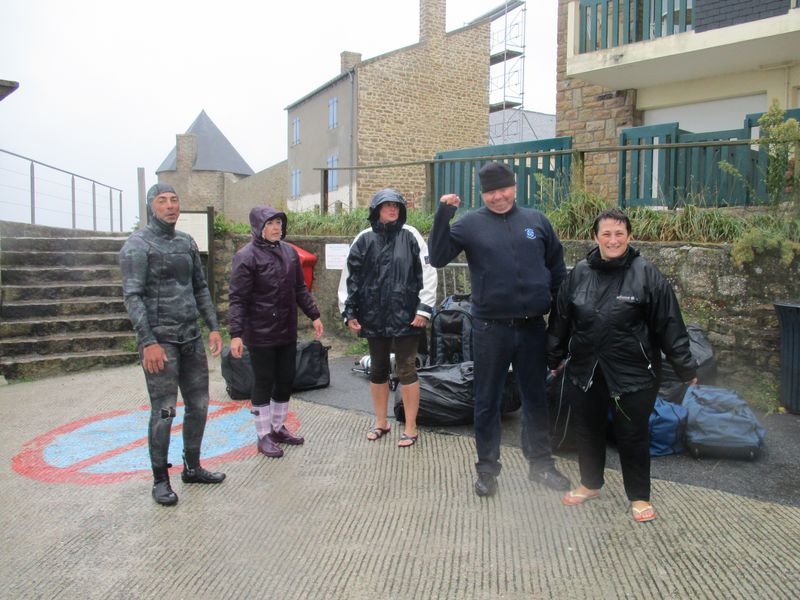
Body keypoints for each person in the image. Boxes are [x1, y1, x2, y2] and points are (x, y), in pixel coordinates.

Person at [428, 161, 570, 497]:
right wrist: (443, 215)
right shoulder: (470, 224)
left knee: (535, 398)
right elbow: (437, 257)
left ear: (514, 187)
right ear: (483, 194)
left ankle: (541, 465)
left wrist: (562, 324)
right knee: (487, 400)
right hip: (490, 329)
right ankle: (487, 470)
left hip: (533, 328)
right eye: (490, 192)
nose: (498, 197)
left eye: (503, 189)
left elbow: (558, 272)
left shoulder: (536, 221)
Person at [547, 207, 698, 523]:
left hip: (634, 373)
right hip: (586, 369)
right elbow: (561, 320)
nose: (613, 240)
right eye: (606, 233)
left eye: (619, 233)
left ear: (629, 236)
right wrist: (553, 357)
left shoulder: (647, 274)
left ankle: (639, 496)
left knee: (633, 434)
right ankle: (590, 484)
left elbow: (669, 324)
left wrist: (686, 368)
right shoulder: (579, 274)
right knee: (588, 430)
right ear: (595, 237)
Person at [120, 183, 225, 506]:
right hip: (160, 342)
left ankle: (192, 467)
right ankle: (160, 480)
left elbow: (200, 287)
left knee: (200, 405)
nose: (170, 206)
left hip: (190, 337)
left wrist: (213, 327)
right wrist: (147, 341)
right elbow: (132, 296)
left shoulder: (186, 242)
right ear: (151, 206)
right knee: (164, 411)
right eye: (162, 201)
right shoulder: (137, 245)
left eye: (174, 200)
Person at [338, 188, 437, 447]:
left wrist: (423, 309)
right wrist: (349, 311)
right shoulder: (363, 239)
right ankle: (381, 422)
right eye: (386, 205)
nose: (392, 209)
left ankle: (411, 426)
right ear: (376, 210)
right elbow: (350, 277)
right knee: (378, 369)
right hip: (373, 315)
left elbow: (428, 272)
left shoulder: (411, 235)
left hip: (407, 316)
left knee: (407, 368)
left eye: (396, 205)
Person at [228, 205, 324, 458]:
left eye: (278, 223)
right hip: (260, 332)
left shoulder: (289, 252)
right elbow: (238, 298)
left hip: (286, 328)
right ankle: (263, 435)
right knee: (263, 381)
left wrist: (314, 315)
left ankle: (278, 428)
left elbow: (300, 288)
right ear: (258, 227)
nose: (276, 228)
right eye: (270, 223)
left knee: (285, 379)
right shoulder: (246, 256)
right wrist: (236, 334)